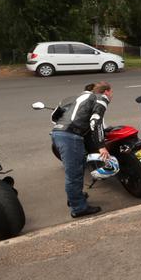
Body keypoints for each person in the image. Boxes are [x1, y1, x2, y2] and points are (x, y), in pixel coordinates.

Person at [51, 81, 113, 218]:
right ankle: (78, 208)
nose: (111, 95)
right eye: (111, 92)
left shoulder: (76, 97)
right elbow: (96, 122)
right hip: (71, 137)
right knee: (74, 174)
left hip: (58, 133)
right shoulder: (101, 99)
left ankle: (75, 197)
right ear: (107, 91)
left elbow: (55, 116)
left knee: (78, 169)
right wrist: (101, 146)